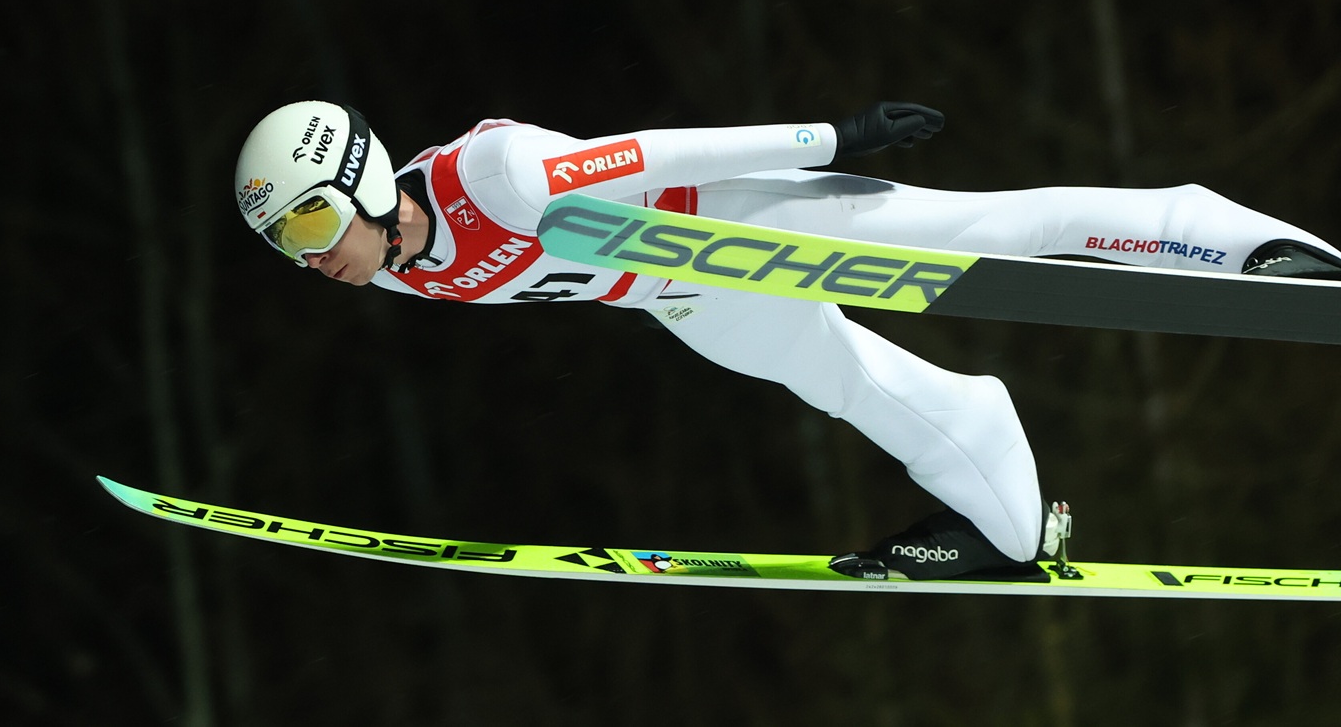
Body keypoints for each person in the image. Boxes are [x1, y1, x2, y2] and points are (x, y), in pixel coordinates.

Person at [234, 100, 1341, 581]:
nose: (317, 257)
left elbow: (648, 150)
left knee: (998, 229)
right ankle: (999, 508)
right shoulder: (403, 267)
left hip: (741, 221)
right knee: (851, 385)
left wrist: (829, 136)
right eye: (292, 247)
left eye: (318, 222)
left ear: (366, 180)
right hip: (686, 298)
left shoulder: (492, 177)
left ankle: (1238, 245)